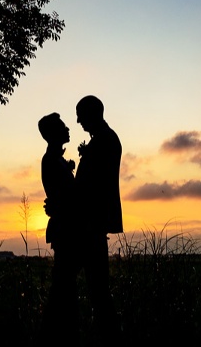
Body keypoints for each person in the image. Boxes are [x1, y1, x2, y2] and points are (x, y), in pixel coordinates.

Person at [73, 95, 122, 339]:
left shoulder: (105, 141)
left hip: (92, 224)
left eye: (81, 115)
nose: (78, 121)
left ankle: (108, 337)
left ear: (92, 114)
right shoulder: (103, 139)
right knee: (96, 288)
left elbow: (92, 186)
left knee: (98, 290)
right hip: (91, 224)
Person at [37, 113, 79, 339]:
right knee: (63, 285)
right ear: (53, 133)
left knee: (65, 284)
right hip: (65, 229)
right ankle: (55, 334)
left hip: (66, 227)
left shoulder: (57, 160)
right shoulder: (51, 160)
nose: (68, 129)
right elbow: (64, 196)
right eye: (63, 126)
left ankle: (57, 333)